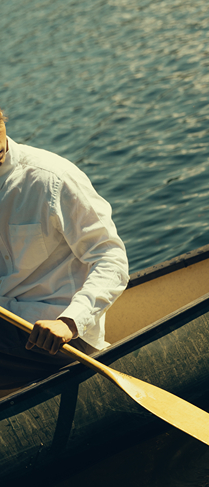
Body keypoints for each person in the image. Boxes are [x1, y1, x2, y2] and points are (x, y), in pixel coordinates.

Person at [0, 108, 129, 389]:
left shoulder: (51, 178)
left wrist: (69, 323)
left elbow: (111, 258)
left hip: (63, 339)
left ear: (2, 119)